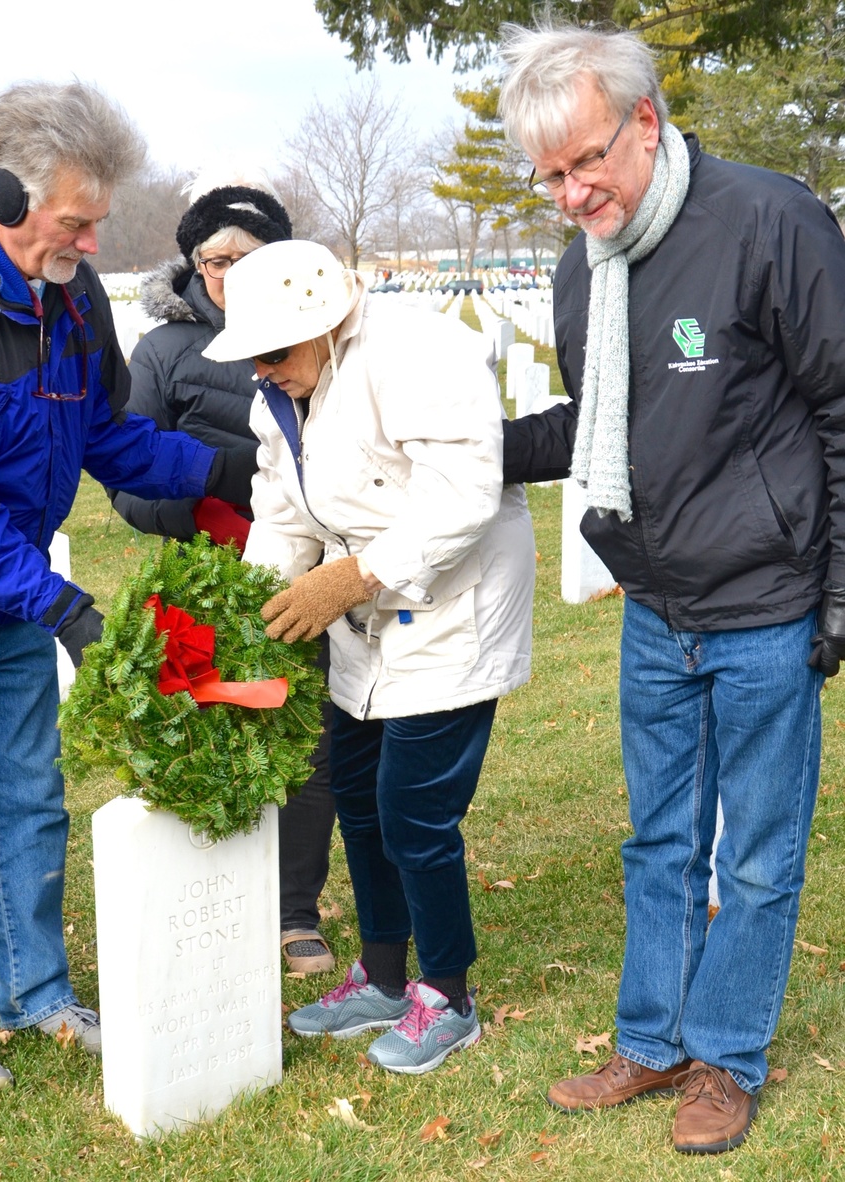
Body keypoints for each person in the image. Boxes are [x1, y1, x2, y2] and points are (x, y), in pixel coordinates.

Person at [0, 82, 254, 1095]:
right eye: (76, 218)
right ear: (0, 195)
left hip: (10, 591)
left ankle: (38, 995)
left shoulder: (71, 294)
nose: (91, 235)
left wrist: (216, 469)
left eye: (98, 217)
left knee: (29, 798)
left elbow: (106, 434)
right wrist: (68, 609)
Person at [498, 21, 845, 1155]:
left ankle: (725, 1059)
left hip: (762, 600)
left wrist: (837, 586)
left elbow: (840, 410)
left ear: (644, 121)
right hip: (653, 607)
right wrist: (466, 448)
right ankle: (648, 1042)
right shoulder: (576, 270)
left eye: (586, 160)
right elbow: (602, 421)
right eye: (548, 175)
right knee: (657, 841)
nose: (570, 193)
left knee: (752, 851)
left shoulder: (767, 220)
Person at [204, 239, 535, 1074]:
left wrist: (353, 575)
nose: (263, 370)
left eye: (273, 352)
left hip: (449, 609)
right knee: (357, 797)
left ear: (327, 321)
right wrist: (246, 611)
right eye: (251, 356)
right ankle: (385, 975)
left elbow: (462, 494)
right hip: (356, 622)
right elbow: (280, 516)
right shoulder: (279, 397)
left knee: (414, 813)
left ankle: (448, 992)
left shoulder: (420, 352)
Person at [109, 174, 338, 975]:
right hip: (208, 567)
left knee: (304, 736)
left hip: (304, 567)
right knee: (210, 732)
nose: (226, 273)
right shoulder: (162, 350)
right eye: (213, 260)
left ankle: (293, 913)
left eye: (246, 258)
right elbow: (128, 480)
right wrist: (205, 509)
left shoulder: (315, 336)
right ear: (192, 262)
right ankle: (208, 895)